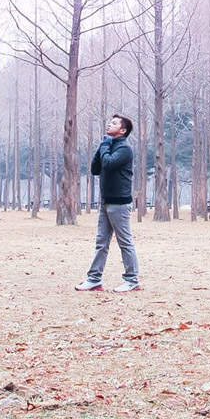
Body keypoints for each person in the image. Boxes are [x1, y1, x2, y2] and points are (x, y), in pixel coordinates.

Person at [75, 114, 140, 293]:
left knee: (125, 242)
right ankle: (94, 280)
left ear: (123, 130)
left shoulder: (125, 149)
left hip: (119, 204)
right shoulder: (108, 145)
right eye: (110, 122)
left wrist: (105, 146)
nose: (109, 125)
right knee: (101, 243)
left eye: (114, 123)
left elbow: (109, 163)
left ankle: (132, 280)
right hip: (105, 202)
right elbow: (96, 169)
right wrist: (102, 147)